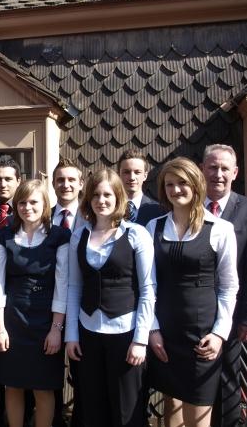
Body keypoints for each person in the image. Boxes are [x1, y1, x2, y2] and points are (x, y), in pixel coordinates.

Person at [146, 157, 239, 427]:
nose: (176, 190)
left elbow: (229, 286)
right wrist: (153, 329)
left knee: (198, 417)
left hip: (202, 335)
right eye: (170, 184)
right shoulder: (155, 227)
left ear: (196, 184)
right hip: (165, 333)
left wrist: (220, 333)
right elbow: (149, 284)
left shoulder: (221, 229)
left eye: (182, 183)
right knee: (171, 406)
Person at [65, 169, 156, 427]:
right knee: (92, 408)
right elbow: (74, 287)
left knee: (126, 411)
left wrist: (140, 340)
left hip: (125, 334)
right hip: (88, 333)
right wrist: (71, 335)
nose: (101, 200)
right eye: (95, 194)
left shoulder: (136, 234)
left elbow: (149, 289)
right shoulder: (78, 236)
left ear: (118, 197)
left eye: (107, 194)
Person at [201, 144, 247, 427]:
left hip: (234, 319)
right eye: (213, 167)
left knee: (229, 383)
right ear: (203, 169)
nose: (218, 174)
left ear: (235, 173)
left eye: (224, 169)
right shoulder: (189, 207)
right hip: (195, 312)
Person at [0, 179, 71, 427]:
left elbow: (62, 285)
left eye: (33, 202)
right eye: (22, 202)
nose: (27, 207)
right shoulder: (4, 236)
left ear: (45, 204)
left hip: (45, 321)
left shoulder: (60, 236)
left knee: (43, 388)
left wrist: (56, 329)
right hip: (13, 321)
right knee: (12, 385)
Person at [50, 158, 85, 427]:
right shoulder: (41, 216)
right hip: (48, 308)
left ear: (81, 184)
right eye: (60, 179)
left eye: (71, 179)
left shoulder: (93, 217)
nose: (66, 184)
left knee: (82, 375)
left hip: (84, 308)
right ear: (53, 183)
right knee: (48, 376)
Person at [118, 149, 165, 226]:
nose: (132, 177)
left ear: (145, 176)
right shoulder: (109, 209)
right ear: (119, 174)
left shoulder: (159, 211)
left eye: (137, 172)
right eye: (126, 172)